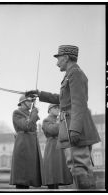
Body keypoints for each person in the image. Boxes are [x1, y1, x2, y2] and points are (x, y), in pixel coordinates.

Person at [25, 45, 100, 189]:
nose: (57, 62)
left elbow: (79, 103)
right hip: (71, 125)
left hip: (74, 127)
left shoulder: (75, 73)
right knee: (76, 166)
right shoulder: (71, 74)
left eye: (58, 58)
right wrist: (39, 94)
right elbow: (63, 99)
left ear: (65, 58)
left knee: (79, 166)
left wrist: (75, 130)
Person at [9, 95, 43, 189]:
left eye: (31, 101)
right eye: (28, 101)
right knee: (22, 178)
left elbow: (32, 127)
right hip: (23, 145)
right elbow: (27, 126)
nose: (31, 103)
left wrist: (33, 113)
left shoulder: (30, 113)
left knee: (28, 176)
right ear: (22, 102)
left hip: (30, 145)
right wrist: (34, 112)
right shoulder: (17, 112)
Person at [42, 104, 73, 189]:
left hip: (60, 147)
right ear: (49, 110)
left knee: (59, 174)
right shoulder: (46, 120)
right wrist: (61, 121)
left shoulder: (60, 120)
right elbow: (53, 130)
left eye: (58, 108)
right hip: (52, 148)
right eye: (55, 108)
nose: (58, 109)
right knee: (52, 174)